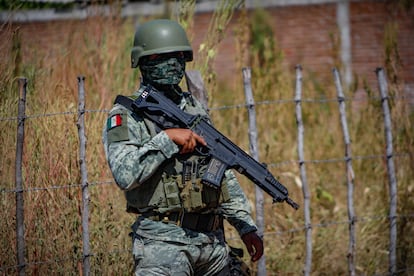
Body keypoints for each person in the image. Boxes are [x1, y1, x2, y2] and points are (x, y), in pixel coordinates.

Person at [103, 19, 263, 275]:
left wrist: (245, 226)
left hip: (212, 245)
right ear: (142, 61)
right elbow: (125, 173)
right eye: (161, 57)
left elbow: (221, 171)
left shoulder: (193, 108)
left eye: (179, 56)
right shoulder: (127, 114)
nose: (172, 63)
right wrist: (167, 139)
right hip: (164, 245)